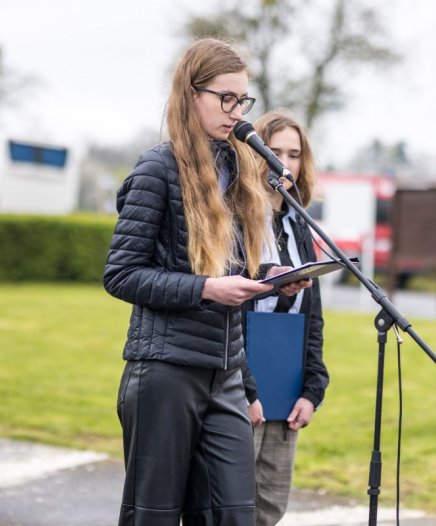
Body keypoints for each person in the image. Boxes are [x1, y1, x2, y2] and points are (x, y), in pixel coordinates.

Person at [102, 39, 310, 526]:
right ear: (190, 94)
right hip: (164, 371)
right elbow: (121, 274)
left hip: (226, 374)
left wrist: (267, 278)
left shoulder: (236, 173)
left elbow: (226, 270)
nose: (237, 113)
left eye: (243, 101)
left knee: (233, 516)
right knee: (152, 516)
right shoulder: (158, 169)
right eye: (225, 98)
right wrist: (205, 289)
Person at [241, 110, 329, 526]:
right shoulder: (233, 218)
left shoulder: (300, 226)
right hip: (238, 383)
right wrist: (245, 387)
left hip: (286, 381)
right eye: (273, 152)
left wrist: (312, 389)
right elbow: (223, 300)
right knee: (229, 504)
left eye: (293, 154)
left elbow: (313, 318)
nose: (284, 163)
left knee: (270, 507)